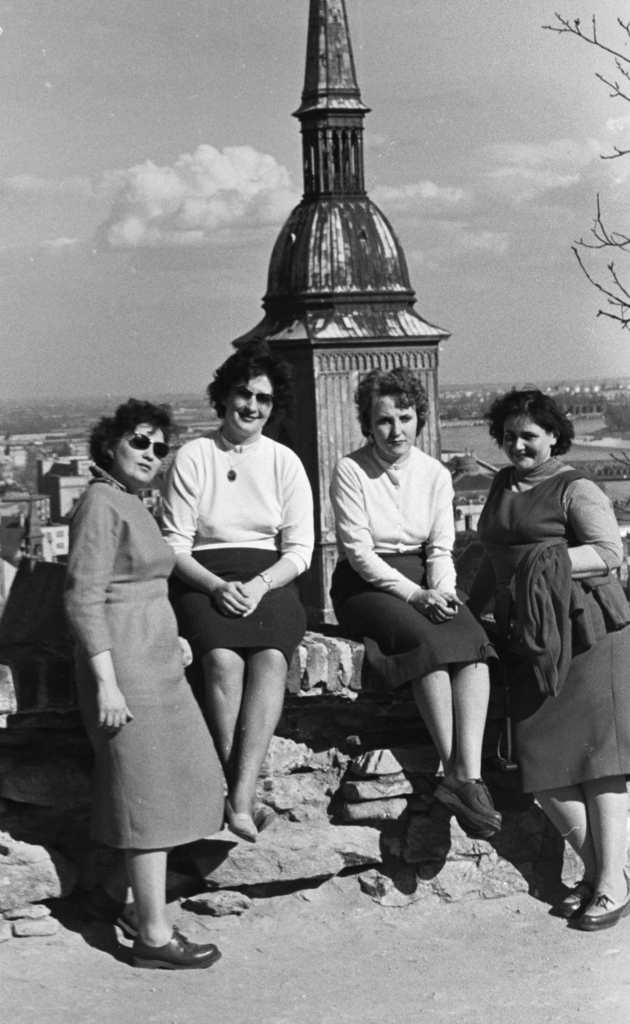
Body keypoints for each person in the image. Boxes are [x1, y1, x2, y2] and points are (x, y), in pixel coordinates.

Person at [65, 399, 224, 971]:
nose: (151, 455)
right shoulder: (100, 504)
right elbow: (83, 598)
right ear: (110, 444)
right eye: (139, 443)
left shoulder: (128, 502)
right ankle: (153, 935)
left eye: (160, 448)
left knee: (188, 785)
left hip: (157, 661)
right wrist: (107, 683)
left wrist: (174, 636)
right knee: (148, 797)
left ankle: (112, 894)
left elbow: (146, 584)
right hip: (125, 667)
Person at [469, 388, 630, 929]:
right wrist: (468, 609)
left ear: (554, 437)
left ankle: (607, 884)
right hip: (528, 639)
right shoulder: (499, 484)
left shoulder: (575, 487)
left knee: (600, 764)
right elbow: (493, 558)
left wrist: (545, 561)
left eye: (529, 436)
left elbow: (610, 553)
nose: (517, 444)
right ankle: (610, 874)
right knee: (541, 766)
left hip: (585, 634)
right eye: (510, 435)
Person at [329, 368, 500, 834]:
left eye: (405, 418)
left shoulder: (434, 474)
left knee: (474, 646)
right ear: (368, 424)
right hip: (367, 584)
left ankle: (468, 776)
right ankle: (455, 771)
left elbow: (440, 549)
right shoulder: (351, 469)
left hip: (426, 578)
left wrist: (442, 593)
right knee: (428, 646)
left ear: (418, 419)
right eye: (384, 420)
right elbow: (360, 554)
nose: (396, 430)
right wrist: (416, 596)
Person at [160, 345, 314, 840]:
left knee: (271, 659)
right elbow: (174, 547)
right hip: (202, 578)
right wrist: (217, 586)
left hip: (269, 578)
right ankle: (242, 797)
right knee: (222, 661)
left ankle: (237, 795)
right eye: (244, 394)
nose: (251, 406)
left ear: (273, 407)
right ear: (224, 396)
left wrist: (258, 584)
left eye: (263, 399)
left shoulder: (284, 462)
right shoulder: (193, 457)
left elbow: (301, 550)